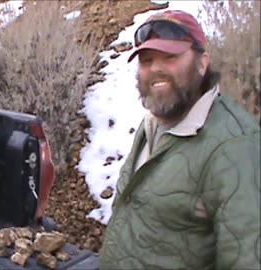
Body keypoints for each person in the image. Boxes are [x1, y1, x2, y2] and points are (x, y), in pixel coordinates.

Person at [99, 10, 261, 269]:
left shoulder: (235, 145)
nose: (156, 69)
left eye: (170, 57)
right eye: (147, 59)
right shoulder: (153, 121)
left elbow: (246, 258)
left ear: (202, 63)